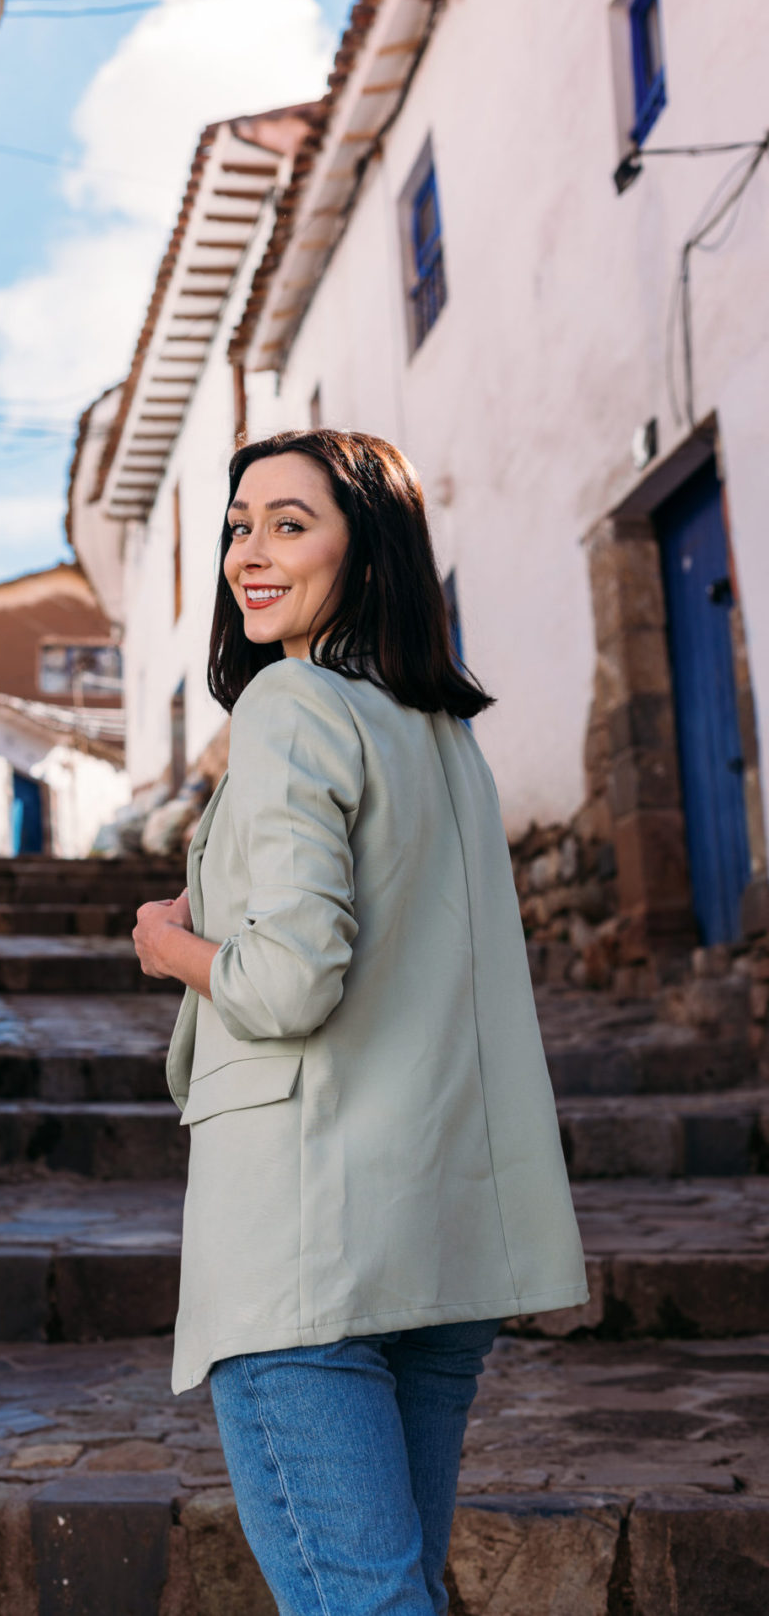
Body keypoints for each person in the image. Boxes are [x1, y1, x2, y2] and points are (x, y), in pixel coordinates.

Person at [131, 429, 588, 1616]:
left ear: (369, 552)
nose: (251, 552)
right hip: (438, 1247)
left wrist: (165, 943)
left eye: (292, 523)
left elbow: (288, 984)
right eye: (240, 524)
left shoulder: (290, 705)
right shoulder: (442, 736)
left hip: (306, 1248)